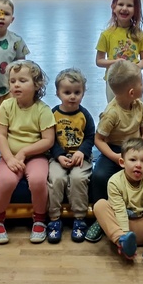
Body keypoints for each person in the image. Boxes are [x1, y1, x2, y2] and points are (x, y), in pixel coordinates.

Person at [0, 60, 56, 244]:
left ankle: (40, 219)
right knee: (7, 181)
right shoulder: (6, 106)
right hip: (10, 156)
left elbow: (48, 140)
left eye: (22, 80)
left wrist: (25, 152)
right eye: (12, 81)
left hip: (36, 156)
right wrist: (9, 158)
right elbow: (1, 135)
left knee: (37, 180)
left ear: (37, 85)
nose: (16, 85)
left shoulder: (43, 110)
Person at [86, 60, 143, 243]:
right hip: (115, 150)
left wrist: (140, 148)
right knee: (99, 176)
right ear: (131, 92)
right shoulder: (112, 113)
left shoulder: (139, 106)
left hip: (136, 148)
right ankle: (100, 217)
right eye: (141, 83)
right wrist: (115, 157)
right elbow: (99, 140)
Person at [93, 138, 143, 263]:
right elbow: (119, 212)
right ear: (122, 162)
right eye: (132, 160)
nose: (138, 165)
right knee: (100, 205)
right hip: (124, 228)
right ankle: (122, 241)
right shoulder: (115, 181)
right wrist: (125, 239)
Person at [47, 69, 95, 243]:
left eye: (77, 92)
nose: (72, 96)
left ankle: (80, 218)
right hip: (58, 158)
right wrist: (59, 156)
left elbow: (90, 136)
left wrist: (82, 152)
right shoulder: (53, 114)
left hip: (81, 157)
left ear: (83, 93)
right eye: (67, 92)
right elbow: (50, 139)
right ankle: (54, 218)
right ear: (58, 93)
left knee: (78, 178)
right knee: (56, 179)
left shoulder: (85, 115)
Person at [96, 0, 143, 102]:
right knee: (115, 108)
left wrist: (134, 67)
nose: (124, 8)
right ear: (113, 7)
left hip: (134, 80)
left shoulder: (139, 35)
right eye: (120, 4)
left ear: (136, 9)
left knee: (137, 108)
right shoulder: (106, 35)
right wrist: (115, 62)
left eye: (129, 5)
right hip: (114, 81)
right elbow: (99, 61)